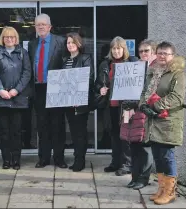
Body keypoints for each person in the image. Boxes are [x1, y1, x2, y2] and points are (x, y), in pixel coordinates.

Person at [139, 41, 186, 205]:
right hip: (153, 122)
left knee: (167, 156)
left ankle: (170, 192)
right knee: (158, 156)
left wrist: (155, 105)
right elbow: (145, 92)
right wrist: (143, 105)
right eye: (159, 52)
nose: (161, 56)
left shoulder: (177, 74)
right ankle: (161, 189)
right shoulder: (153, 71)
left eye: (165, 53)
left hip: (168, 121)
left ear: (173, 56)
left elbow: (177, 98)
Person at [94, 36, 138, 176]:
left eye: (119, 48)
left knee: (125, 135)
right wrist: (101, 88)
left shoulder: (132, 62)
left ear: (124, 49)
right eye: (114, 48)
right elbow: (98, 83)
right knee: (113, 134)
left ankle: (127, 164)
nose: (116, 51)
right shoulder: (105, 64)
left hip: (125, 106)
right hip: (110, 105)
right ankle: (115, 162)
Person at [28, 13, 67, 168]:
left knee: (57, 124)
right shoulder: (32, 44)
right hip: (38, 89)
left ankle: (59, 158)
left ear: (50, 26)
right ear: (35, 27)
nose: (41, 27)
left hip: (56, 88)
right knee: (42, 125)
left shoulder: (61, 42)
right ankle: (43, 158)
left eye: (44, 24)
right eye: (38, 25)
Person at [0, 26, 32, 170]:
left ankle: (16, 160)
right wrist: (0, 89)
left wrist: (16, 90)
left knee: (16, 131)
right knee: (4, 131)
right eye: (7, 37)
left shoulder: (23, 53)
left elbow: (27, 73)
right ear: (3, 38)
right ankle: (6, 160)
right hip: (1, 98)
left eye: (12, 37)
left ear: (16, 39)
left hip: (18, 98)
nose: (9, 39)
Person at [122, 39, 157, 190]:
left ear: (153, 52)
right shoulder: (135, 67)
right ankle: (135, 177)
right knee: (134, 145)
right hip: (132, 109)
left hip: (145, 111)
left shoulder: (156, 69)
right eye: (141, 51)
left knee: (144, 146)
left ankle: (143, 179)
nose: (143, 54)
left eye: (146, 51)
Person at [62, 32, 94, 172]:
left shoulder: (86, 58)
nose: (70, 45)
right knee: (73, 131)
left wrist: (77, 97)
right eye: (68, 43)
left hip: (80, 101)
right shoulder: (64, 59)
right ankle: (77, 157)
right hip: (67, 101)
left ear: (78, 44)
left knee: (80, 131)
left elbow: (88, 78)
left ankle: (80, 160)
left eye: (73, 42)